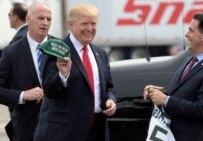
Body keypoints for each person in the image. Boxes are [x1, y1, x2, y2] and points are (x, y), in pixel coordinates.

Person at [34, 3, 116, 141]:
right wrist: (63, 75)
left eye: (93, 24)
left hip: (97, 131)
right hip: (65, 133)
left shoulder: (100, 53)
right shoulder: (56, 50)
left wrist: (111, 101)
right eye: (84, 24)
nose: (90, 28)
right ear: (70, 25)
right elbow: (49, 90)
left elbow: (109, 87)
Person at [143, 13, 203, 141]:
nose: (186, 34)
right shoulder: (188, 60)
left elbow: (201, 110)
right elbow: (183, 95)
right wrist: (157, 94)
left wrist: (166, 100)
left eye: (191, 30)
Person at [0, 2, 53, 141]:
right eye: (41, 18)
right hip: (26, 129)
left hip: (57, 127)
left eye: (49, 19)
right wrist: (23, 95)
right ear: (28, 19)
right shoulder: (11, 52)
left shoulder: (61, 48)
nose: (45, 23)